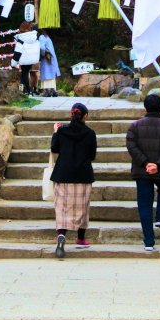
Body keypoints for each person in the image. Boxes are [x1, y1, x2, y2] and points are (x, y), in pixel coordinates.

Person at [125, 93, 160, 251]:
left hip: (142, 171)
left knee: (144, 204)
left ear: (145, 107)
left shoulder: (134, 127)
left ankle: (149, 242)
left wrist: (145, 163)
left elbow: (131, 146)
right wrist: (158, 165)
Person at [50, 102, 97, 258]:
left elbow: (55, 149)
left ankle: (61, 234)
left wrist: (56, 132)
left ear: (72, 114)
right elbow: (92, 156)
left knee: (62, 206)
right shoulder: (90, 133)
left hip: (63, 174)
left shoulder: (62, 131)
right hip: (83, 175)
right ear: (85, 116)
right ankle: (80, 238)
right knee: (82, 207)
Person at [11, 21, 40, 95]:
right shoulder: (34, 37)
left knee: (24, 74)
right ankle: (30, 90)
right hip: (32, 59)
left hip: (24, 58)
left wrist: (13, 63)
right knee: (29, 73)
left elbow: (18, 51)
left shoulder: (21, 39)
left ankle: (27, 90)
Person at [37, 29, 61, 97]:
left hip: (46, 58)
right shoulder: (47, 36)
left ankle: (47, 91)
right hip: (51, 57)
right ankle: (53, 90)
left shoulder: (41, 37)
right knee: (52, 73)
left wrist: (42, 54)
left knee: (46, 73)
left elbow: (42, 48)